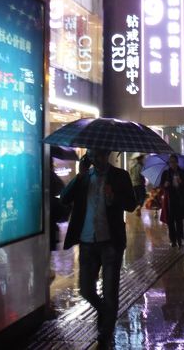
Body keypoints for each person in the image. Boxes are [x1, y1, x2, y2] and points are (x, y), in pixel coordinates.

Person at [60, 149, 138, 348]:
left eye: (101, 154)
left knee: (110, 290)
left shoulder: (120, 176)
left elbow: (131, 204)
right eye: (94, 155)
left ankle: (106, 332)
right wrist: (79, 175)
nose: (98, 159)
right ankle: (106, 312)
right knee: (86, 289)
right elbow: (64, 198)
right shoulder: (85, 178)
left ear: (108, 154)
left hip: (111, 242)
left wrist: (114, 198)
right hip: (87, 242)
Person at [160, 154, 184, 248]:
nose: (172, 164)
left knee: (179, 220)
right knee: (170, 220)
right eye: (171, 162)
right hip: (169, 199)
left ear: (177, 162)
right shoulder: (166, 173)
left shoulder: (182, 172)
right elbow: (161, 185)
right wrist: (165, 185)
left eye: (174, 162)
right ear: (169, 163)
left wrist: (181, 182)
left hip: (180, 198)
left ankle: (179, 239)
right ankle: (172, 240)